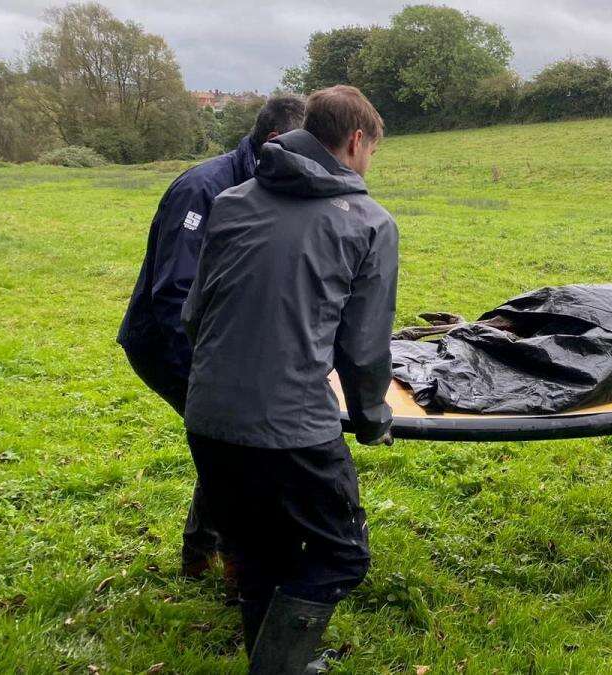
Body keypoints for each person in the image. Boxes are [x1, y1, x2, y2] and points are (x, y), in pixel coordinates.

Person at [182, 85, 398, 672]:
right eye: (372, 150)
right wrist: (373, 418)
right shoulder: (371, 223)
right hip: (295, 430)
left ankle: (279, 661)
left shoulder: (231, 201)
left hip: (207, 419)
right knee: (342, 555)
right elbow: (363, 346)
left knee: (257, 558)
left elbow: (194, 315)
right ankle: (278, 664)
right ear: (356, 141)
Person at [116, 96, 306, 578]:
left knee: (226, 447)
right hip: (166, 344)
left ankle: (201, 555)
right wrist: (204, 377)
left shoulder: (265, 183)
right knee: (235, 446)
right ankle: (238, 570)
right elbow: (172, 293)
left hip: (222, 344)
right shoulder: (203, 189)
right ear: (274, 143)